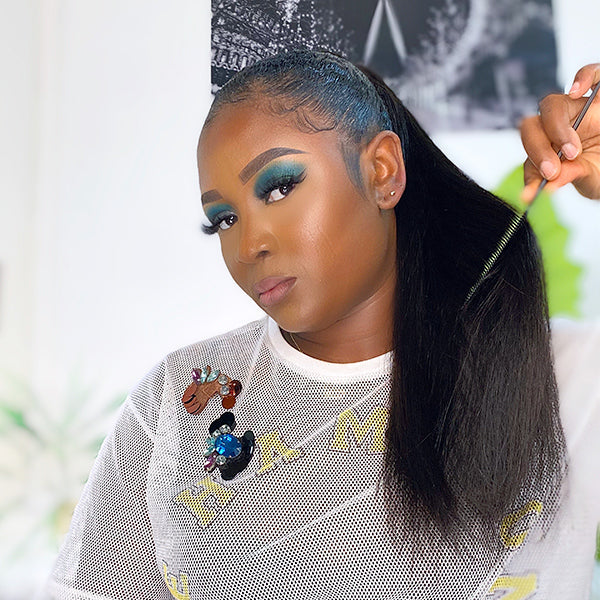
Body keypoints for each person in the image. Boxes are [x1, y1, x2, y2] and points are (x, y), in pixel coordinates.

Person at [46, 53, 600, 599]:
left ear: (382, 171)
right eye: (224, 219)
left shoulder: (566, 379)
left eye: (278, 187)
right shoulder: (179, 395)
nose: (249, 245)